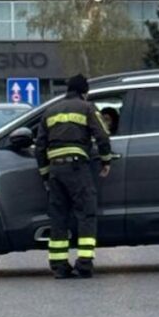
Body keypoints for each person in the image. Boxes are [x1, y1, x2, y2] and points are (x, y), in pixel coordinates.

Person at [35, 74, 113, 279]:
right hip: (77, 168)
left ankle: (59, 266)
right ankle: (84, 263)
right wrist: (106, 160)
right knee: (86, 213)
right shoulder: (87, 108)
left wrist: (45, 175)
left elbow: (39, 146)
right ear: (84, 92)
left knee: (59, 217)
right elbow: (102, 136)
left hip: (55, 171)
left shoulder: (50, 111)